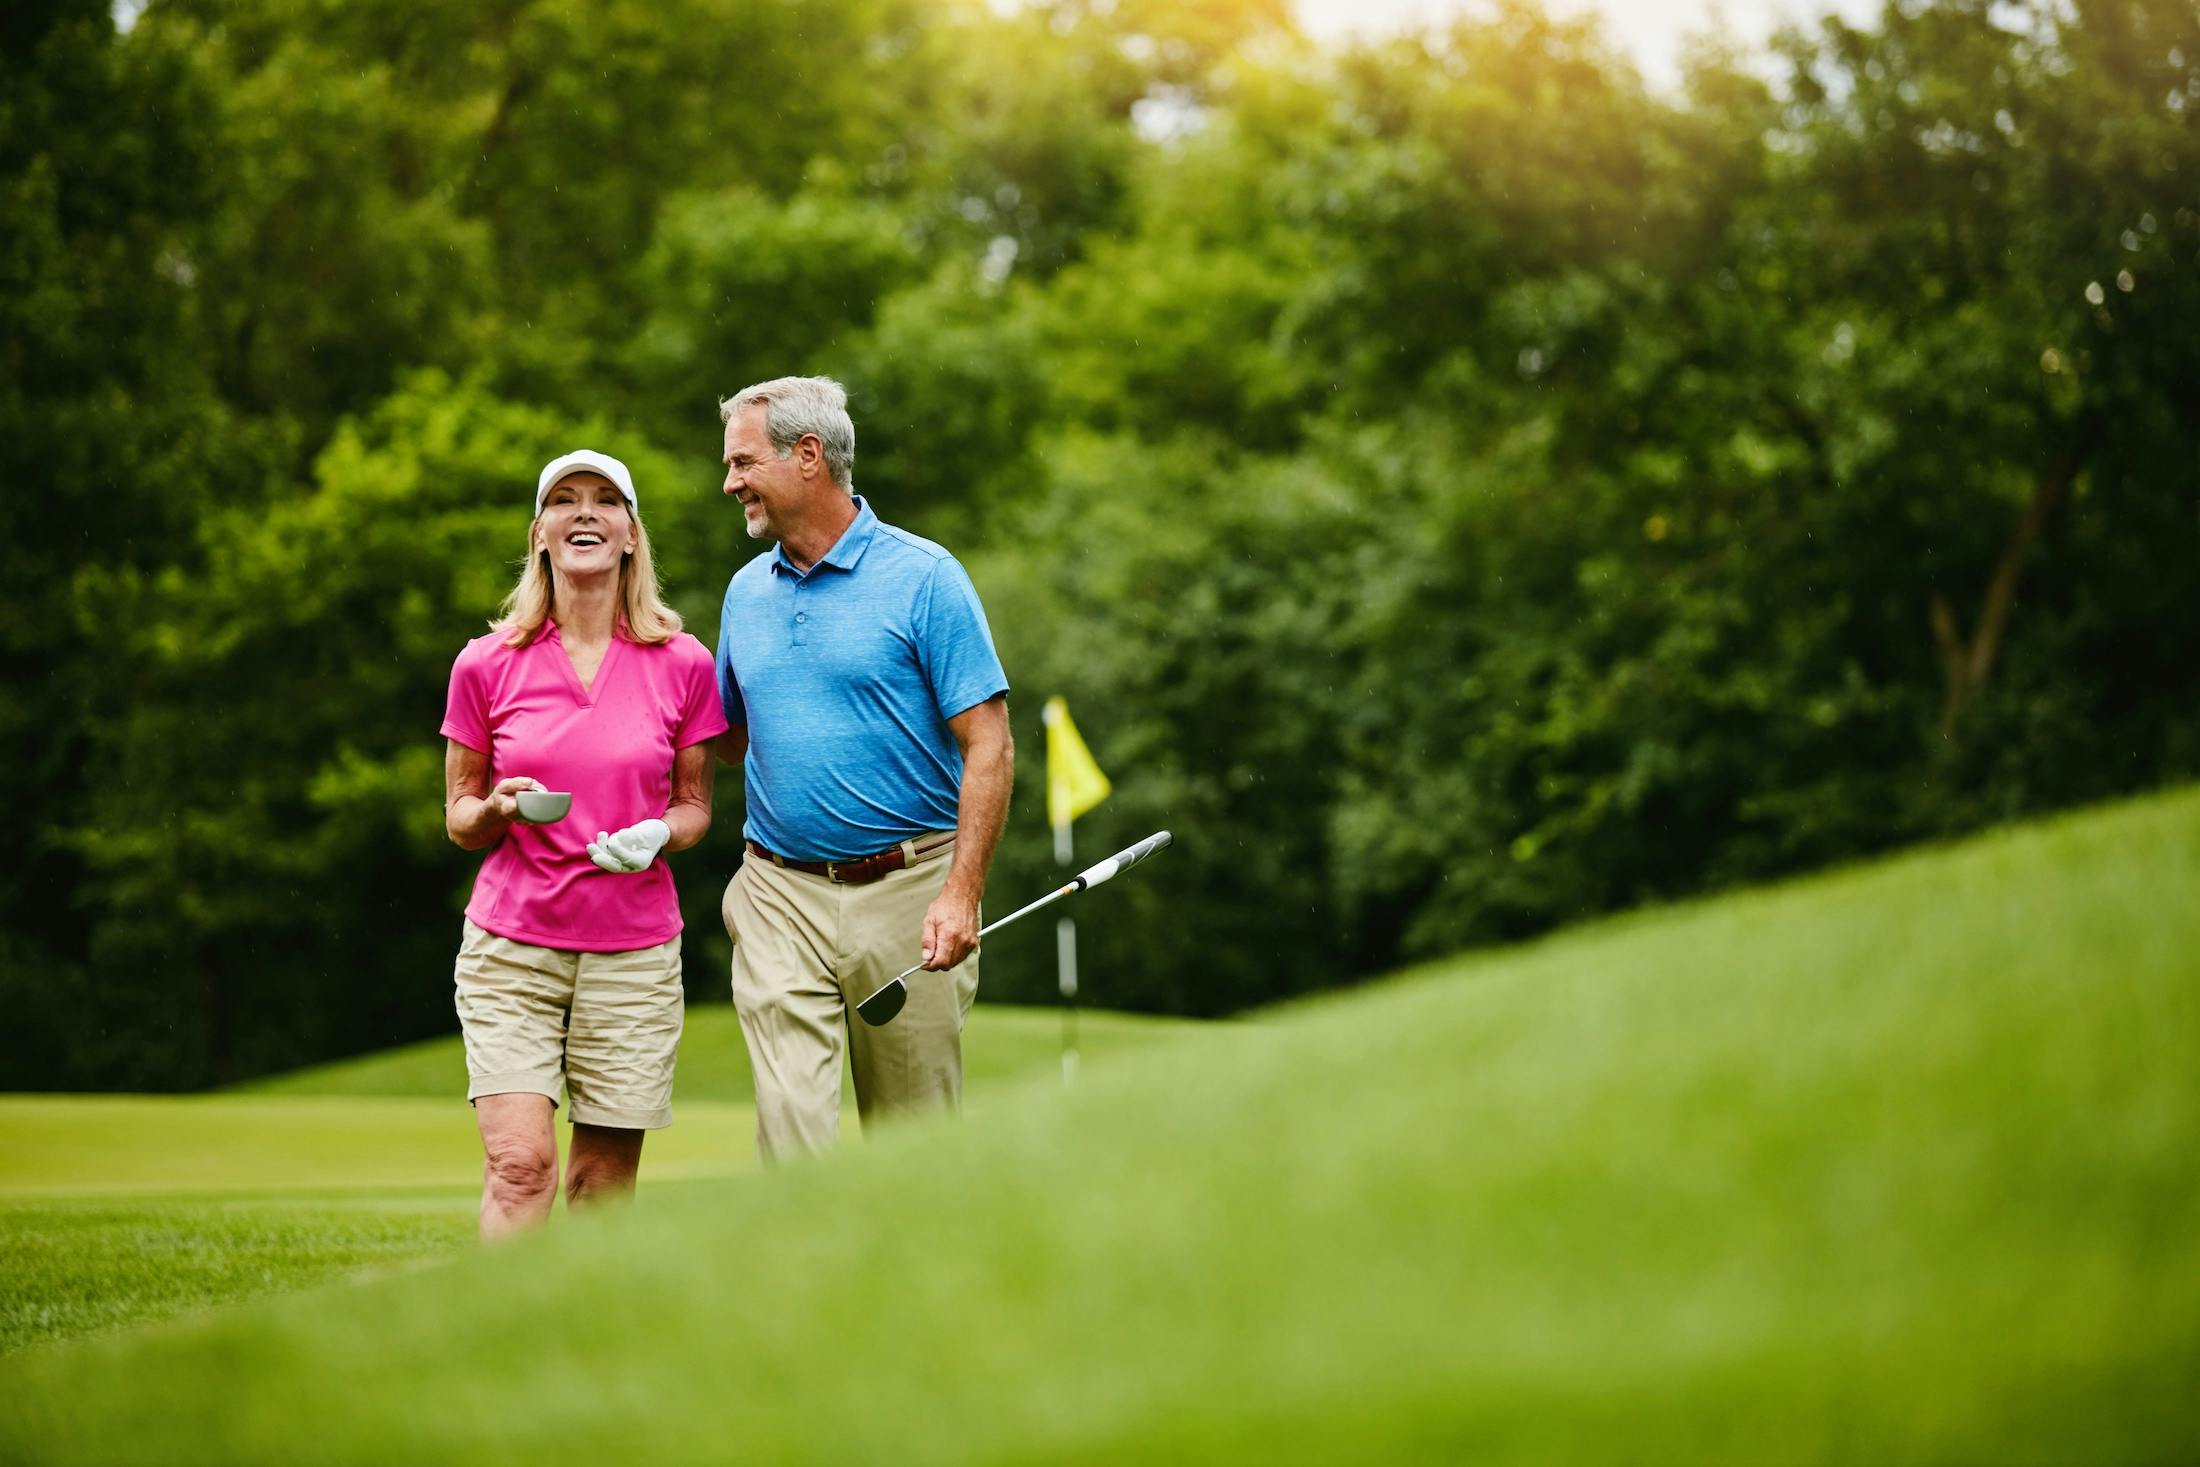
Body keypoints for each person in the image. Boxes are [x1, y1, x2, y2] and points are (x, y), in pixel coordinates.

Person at [713, 376, 1013, 1160]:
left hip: (912, 892)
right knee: (792, 1137)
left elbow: (990, 743)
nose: (731, 483)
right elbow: (725, 737)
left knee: (913, 1149)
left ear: (809, 456)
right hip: (778, 894)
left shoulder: (926, 577)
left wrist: (961, 893)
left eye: (744, 462)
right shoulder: (744, 594)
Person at [441, 450, 728, 1238]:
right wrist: (496, 808)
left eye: (605, 499)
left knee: (601, 1185)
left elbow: (694, 806)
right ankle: (508, 1315)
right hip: (512, 949)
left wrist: (657, 832)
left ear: (632, 534)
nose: (585, 512)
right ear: (539, 532)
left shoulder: (684, 662)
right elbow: (459, 816)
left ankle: (580, 1315)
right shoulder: (486, 663)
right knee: (520, 1164)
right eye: (564, 500)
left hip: (633, 955)